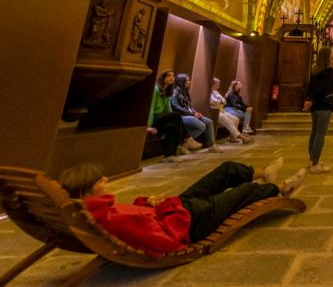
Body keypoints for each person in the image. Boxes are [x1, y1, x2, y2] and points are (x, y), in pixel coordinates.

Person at [58, 160, 307, 255]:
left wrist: (150, 203)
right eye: (99, 181)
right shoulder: (110, 218)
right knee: (243, 193)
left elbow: (141, 217)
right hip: (190, 221)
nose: (106, 181)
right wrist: (168, 208)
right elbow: (166, 240)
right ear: (86, 191)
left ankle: (261, 172)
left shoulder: (100, 211)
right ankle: (281, 189)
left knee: (226, 170)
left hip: (177, 209)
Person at [303, 46, 333, 173]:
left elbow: (310, 88)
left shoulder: (315, 70)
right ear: (327, 56)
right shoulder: (329, 71)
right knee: (320, 135)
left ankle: (312, 159)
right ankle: (314, 164)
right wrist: (313, 99)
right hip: (324, 105)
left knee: (314, 133)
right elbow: (323, 89)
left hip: (315, 106)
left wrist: (309, 100)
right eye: (332, 52)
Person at [171, 74, 222, 153]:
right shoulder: (175, 92)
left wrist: (195, 112)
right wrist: (192, 114)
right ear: (182, 82)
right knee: (200, 125)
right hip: (181, 116)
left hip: (189, 114)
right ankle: (182, 144)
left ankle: (212, 145)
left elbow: (189, 106)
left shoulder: (185, 92)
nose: (189, 82)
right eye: (187, 80)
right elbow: (175, 106)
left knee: (209, 122)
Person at [148, 69, 189, 163]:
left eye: (173, 76)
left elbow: (168, 110)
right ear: (162, 78)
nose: (172, 78)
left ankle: (170, 155)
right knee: (176, 116)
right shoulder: (155, 89)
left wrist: (173, 119)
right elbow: (150, 108)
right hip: (154, 118)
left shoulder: (167, 92)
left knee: (173, 126)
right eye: (169, 75)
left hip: (162, 118)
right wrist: (149, 126)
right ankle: (186, 140)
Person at [210, 77, 253, 144]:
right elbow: (213, 101)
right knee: (230, 121)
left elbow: (224, 101)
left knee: (236, 119)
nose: (219, 85)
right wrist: (219, 101)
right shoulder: (209, 92)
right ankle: (241, 136)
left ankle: (233, 137)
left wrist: (219, 101)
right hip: (215, 112)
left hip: (222, 110)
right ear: (214, 84)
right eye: (218, 83)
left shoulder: (216, 92)